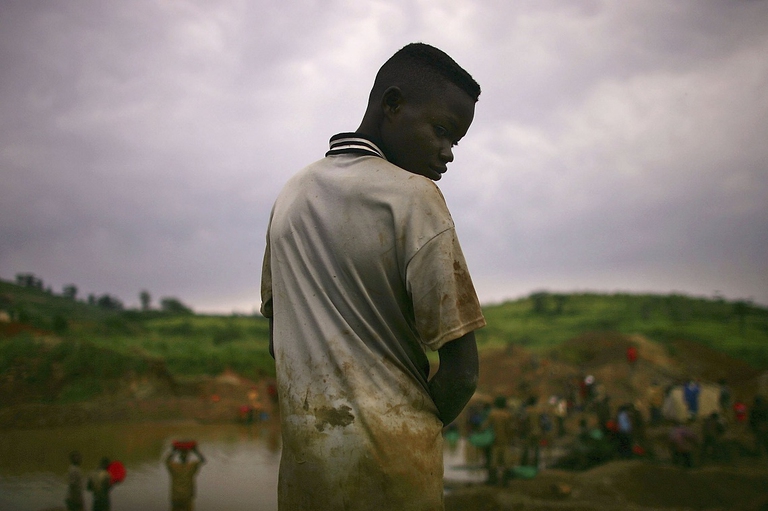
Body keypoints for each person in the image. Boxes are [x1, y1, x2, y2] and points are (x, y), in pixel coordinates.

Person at [260, 42, 485, 511]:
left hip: (306, 475)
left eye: (455, 142)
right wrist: (407, 431)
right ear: (393, 104)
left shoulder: (290, 196)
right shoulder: (414, 197)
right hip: (394, 478)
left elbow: (277, 341)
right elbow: (462, 373)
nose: (447, 153)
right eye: (441, 131)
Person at [165, 444, 206, 511]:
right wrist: (195, 450)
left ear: (179, 457)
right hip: (187, 497)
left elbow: (166, 461)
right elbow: (203, 460)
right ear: (187, 457)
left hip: (176, 496)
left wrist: (173, 451)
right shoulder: (191, 466)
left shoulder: (174, 467)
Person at [484, 396, 514, 486]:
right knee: (506, 461)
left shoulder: (492, 414)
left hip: (494, 441)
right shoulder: (508, 415)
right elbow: (511, 429)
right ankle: (505, 481)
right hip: (505, 441)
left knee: (493, 462)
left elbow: (485, 426)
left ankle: (492, 480)